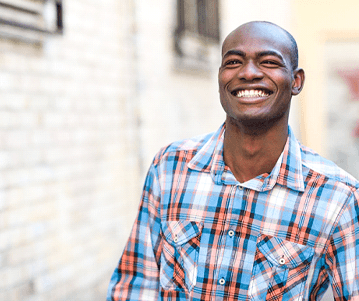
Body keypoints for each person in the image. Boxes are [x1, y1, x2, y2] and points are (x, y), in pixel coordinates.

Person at [107, 21, 359, 300]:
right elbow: (135, 285)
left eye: (269, 62)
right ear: (220, 78)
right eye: (234, 62)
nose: (248, 72)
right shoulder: (170, 168)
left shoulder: (338, 197)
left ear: (296, 81)